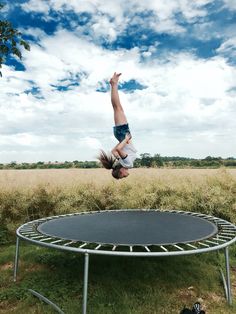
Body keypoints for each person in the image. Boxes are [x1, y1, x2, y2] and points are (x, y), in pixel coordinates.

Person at [98, 72, 138, 179]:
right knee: (117, 108)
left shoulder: (128, 164)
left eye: (123, 176)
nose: (126, 176)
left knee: (117, 107)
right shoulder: (121, 162)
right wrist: (121, 142)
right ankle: (113, 84)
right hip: (119, 135)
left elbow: (119, 150)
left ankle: (113, 84)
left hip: (123, 135)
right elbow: (114, 151)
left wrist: (125, 139)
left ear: (121, 171)